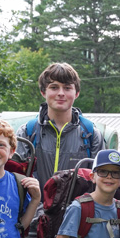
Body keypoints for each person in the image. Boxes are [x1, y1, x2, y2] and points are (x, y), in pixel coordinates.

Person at [15, 62, 105, 193]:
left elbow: (101, 180)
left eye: (67, 88)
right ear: (43, 92)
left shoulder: (91, 134)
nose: (61, 93)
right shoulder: (27, 132)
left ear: (77, 93)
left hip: (78, 206)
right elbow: (16, 177)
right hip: (34, 205)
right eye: (54, 87)